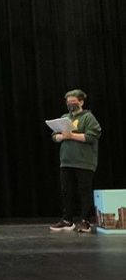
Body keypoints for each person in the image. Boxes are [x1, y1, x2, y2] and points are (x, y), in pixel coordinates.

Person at [50, 90, 101, 233]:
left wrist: (71, 135)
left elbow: (91, 137)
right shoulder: (65, 117)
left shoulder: (88, 117)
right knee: (67, 191)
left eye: (74, 102)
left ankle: (85, 221)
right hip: (66, 161)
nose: (71, 105)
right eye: (68, 103)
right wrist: (59, 137)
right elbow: (55, 136)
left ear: (81, 102)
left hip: (84, 161)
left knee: (84, 192)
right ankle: (67, 220)